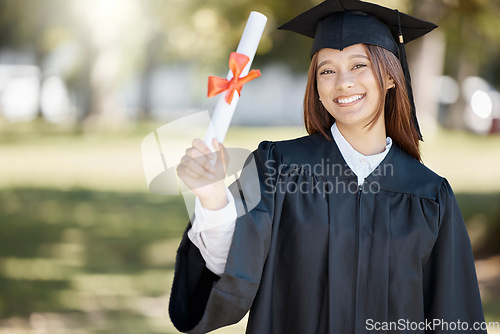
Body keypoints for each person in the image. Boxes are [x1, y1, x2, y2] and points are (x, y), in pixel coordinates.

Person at [169, 0, 487, 333]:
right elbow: (234, 264)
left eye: (359, 65)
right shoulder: (278, 168)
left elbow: (454, 312)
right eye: (327, 70)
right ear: (316, 87)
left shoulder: (429, 195)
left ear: (391, 77)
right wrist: (212, 197)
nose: (343, 82)